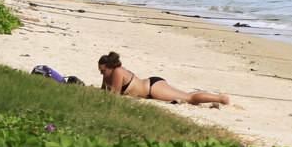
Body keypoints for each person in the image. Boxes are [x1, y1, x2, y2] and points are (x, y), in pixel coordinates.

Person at [97, 51, 229, 107]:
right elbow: (104, 91)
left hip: (152, 89)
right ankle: (213, 96)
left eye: (103, 70)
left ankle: (221, 99)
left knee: (189, 99)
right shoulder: (108, 75)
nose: (101, 73)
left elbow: (113, 95)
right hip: (151, 87)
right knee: (186, 95)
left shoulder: (118, 72)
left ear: (110, 67)